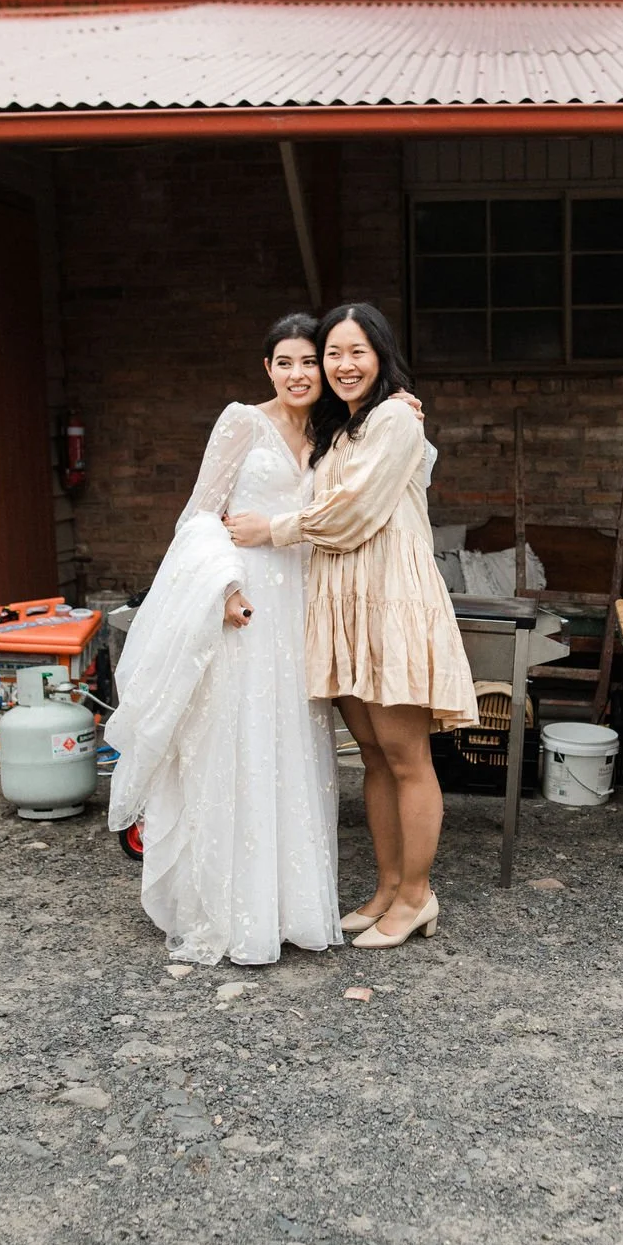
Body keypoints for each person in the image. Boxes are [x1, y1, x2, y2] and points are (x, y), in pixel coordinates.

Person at [226, 303, 478, 950]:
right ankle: (388, 886)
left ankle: (418, 896)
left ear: (380, 354)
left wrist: (273, 528)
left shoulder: (394, 417)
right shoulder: (343, 427)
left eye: (354, 351)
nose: (341, 364)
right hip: (343, 602)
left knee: (405, 755)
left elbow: (350, 512)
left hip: (389, 601)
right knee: (370, 755)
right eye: (331, 353)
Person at [103, 314, 349, 965]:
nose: (299, 374)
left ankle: (290, 908)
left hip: (299, 604)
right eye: (285, 362)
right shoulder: (241, 420)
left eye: (309, 362)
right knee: (240, 747)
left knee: (293, 750)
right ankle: (233, 913)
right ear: (267, 367)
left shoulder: (331, 432)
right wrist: (225, 588)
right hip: (244, 605)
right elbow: (197, 515)